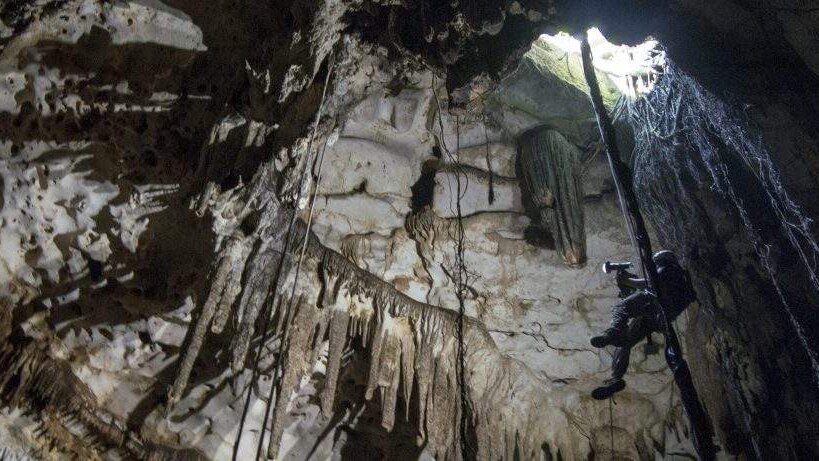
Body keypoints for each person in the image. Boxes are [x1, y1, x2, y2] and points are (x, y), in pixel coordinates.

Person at [590, 250, 697, 400]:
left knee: (620, 308)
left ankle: (613, 331)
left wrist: (628, 281)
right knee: (624, 342)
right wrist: (627, 285)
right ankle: (615, 378)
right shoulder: (681, 278)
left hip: (655, 304)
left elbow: (651, 283)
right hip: (657, 318)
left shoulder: (670, 269)